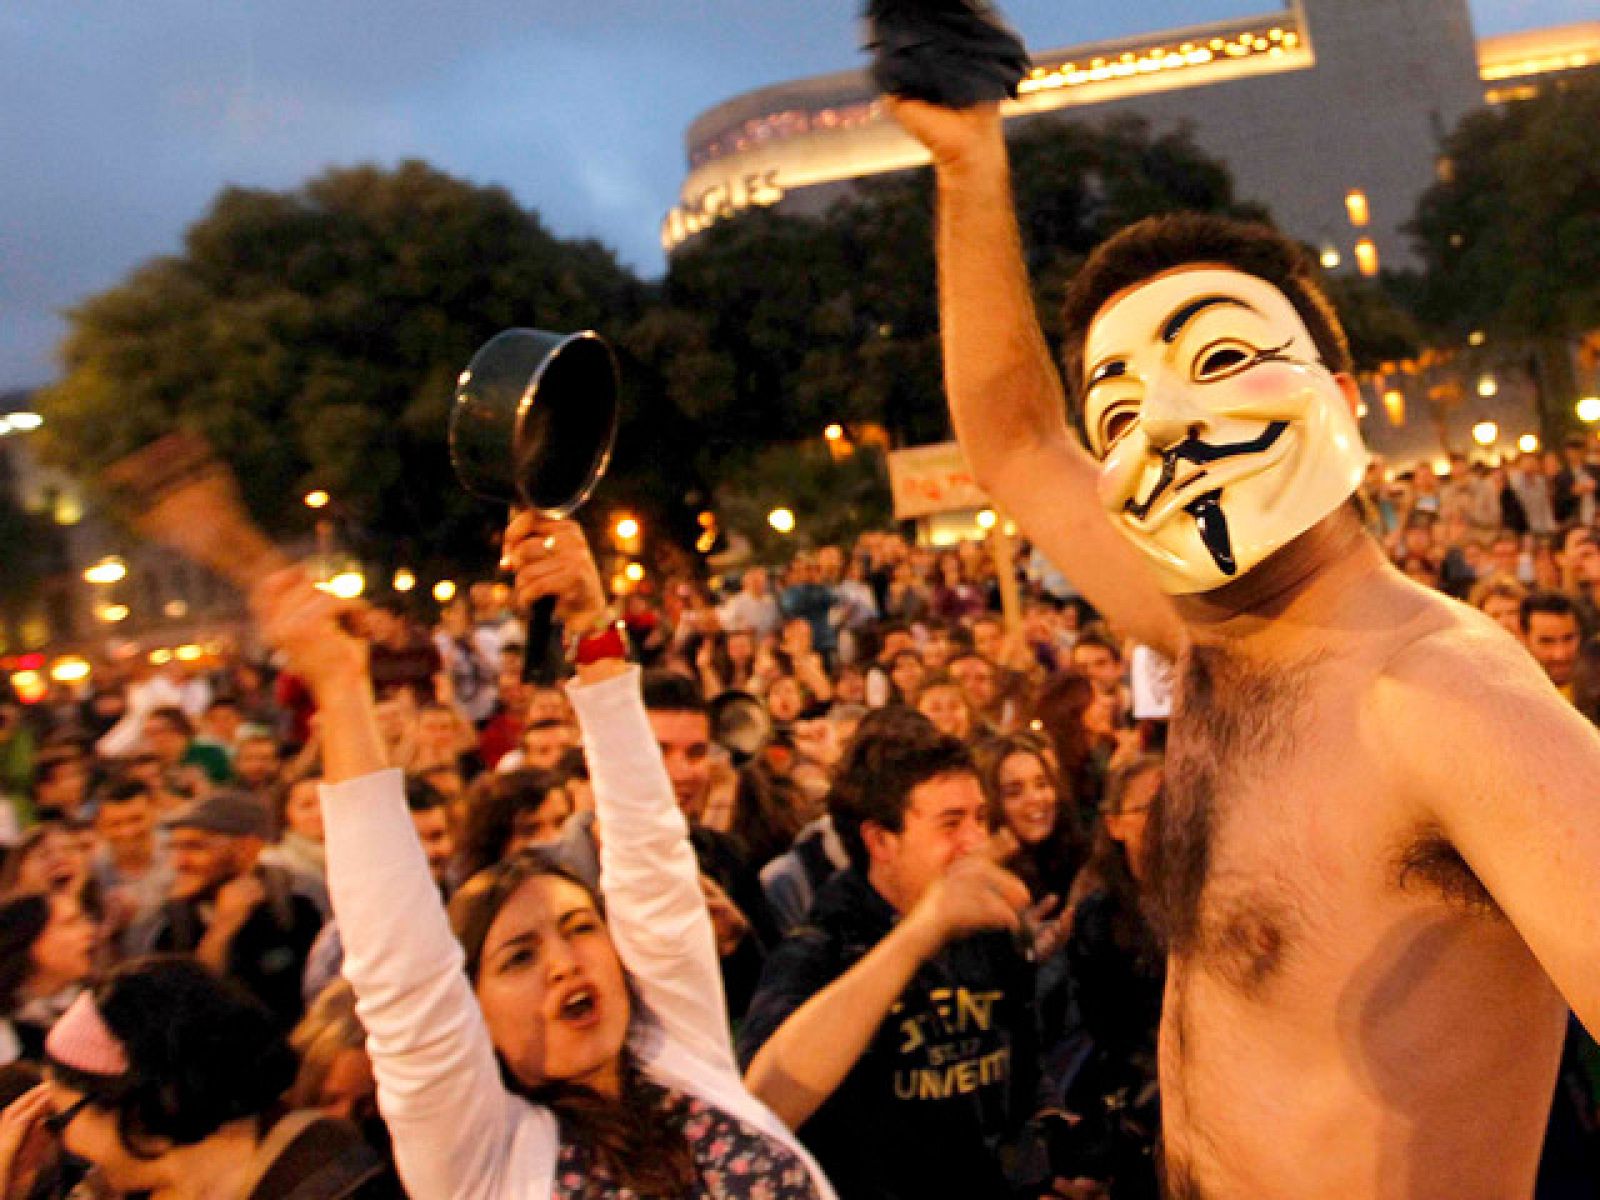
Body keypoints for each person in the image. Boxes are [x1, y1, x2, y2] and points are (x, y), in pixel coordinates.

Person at [891, 86, 1600, 1197]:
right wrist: (968, 163)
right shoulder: (1216, 639)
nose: (1168, 426)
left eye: (1219, 361)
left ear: (1345, 397)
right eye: (1118, 414)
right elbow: (1019, 438)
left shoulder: (1448, 703)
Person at [252, 513, 835, 1199]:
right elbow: (401, 967)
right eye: (518, 958)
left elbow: (647, 846)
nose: (565, 964)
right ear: (474, 1016)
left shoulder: (682, 1050)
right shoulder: (483, 1159)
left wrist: (593, 626)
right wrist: (344, 690)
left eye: (582, 927)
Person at [739, 711, 1040, 1199]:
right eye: (951, 824)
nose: (975, 842)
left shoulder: (987, 934)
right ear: (881, 840)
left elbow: (1018, 1079)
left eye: (980, 818)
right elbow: (763, 1106)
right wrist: (921, 932)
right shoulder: (819, 950)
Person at [0, 957, 395, 1199]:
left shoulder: (331, 1181)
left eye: (60, 1117)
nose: (57, 1139)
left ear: (142, 1106)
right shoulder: (112, 1191)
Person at [127, 791, 324, 1030]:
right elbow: (183, 1010)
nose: (179, 862)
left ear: (248, 849)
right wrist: (222, 928)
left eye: (195, 847)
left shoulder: (298, 907)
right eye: (175, 849)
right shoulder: (166, 922)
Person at [0, 894, 96, 1065]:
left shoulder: (100, 1003)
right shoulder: (7, 1025)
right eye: (70, 923)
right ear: (33, 941)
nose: (89, 931)